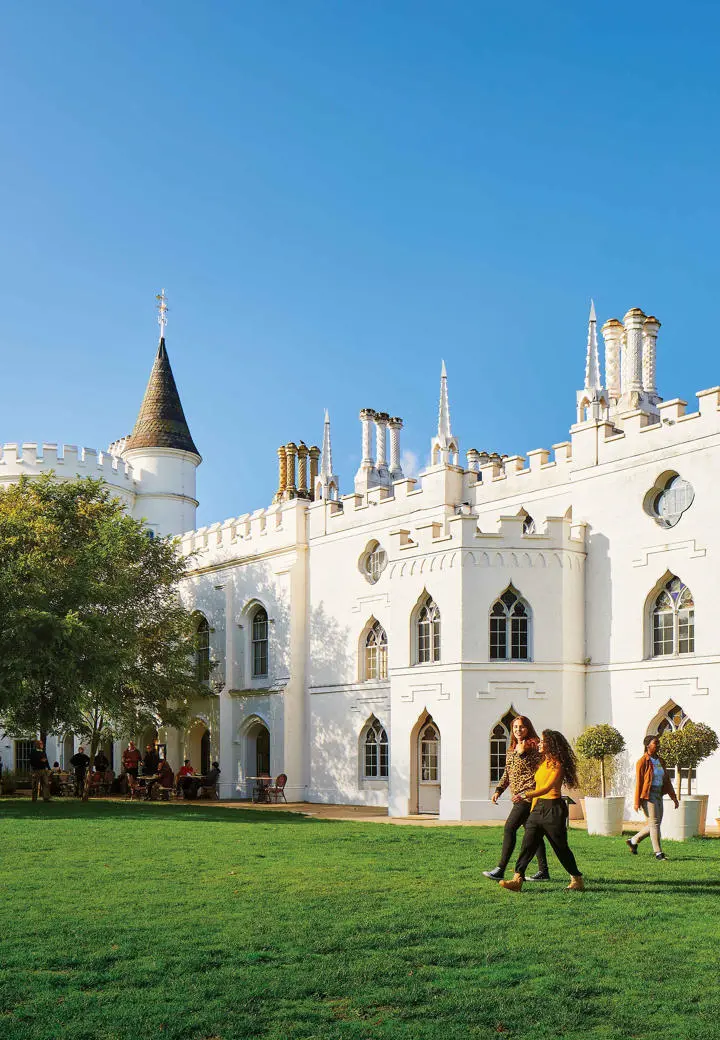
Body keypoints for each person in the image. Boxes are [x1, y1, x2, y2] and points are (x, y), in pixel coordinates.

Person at [499, 729, 585, 892]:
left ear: (550, 744)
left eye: (542, 741)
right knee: (527, 844)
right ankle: (517, 879)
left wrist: (525, 794)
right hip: (538, 809)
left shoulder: (557, 765)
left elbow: (546, 788)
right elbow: (538, 784)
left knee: (560, 847)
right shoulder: (542, 763)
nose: (539, 743)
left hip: (553, 809)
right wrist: (532, 810)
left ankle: (577, 879)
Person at [482, 716, 550, 882]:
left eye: (522, 727)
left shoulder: (534, 745)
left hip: (527, 795)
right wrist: (499, 789)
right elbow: (508, 772)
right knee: (532, 834)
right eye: (515, 727)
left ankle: (500, 869)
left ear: (528, 728)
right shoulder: (512, 748)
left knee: (509, 828)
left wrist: (523, 753)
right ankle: (543, 872)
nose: (518, 730)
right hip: (518, 794)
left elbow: (535, 769)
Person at [627, 734, 679, 861]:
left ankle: (633, 840)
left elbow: (666, 780)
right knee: (655, 824)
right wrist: (636, 802)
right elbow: (639, 782)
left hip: (659, 794)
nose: (658, 745)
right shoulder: (642, 761)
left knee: (654, 824)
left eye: (658, 743)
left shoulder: (661, 761)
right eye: (656, 743)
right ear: (647, 745)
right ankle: (658, 853)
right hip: (648, 796)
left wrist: (674, 798)